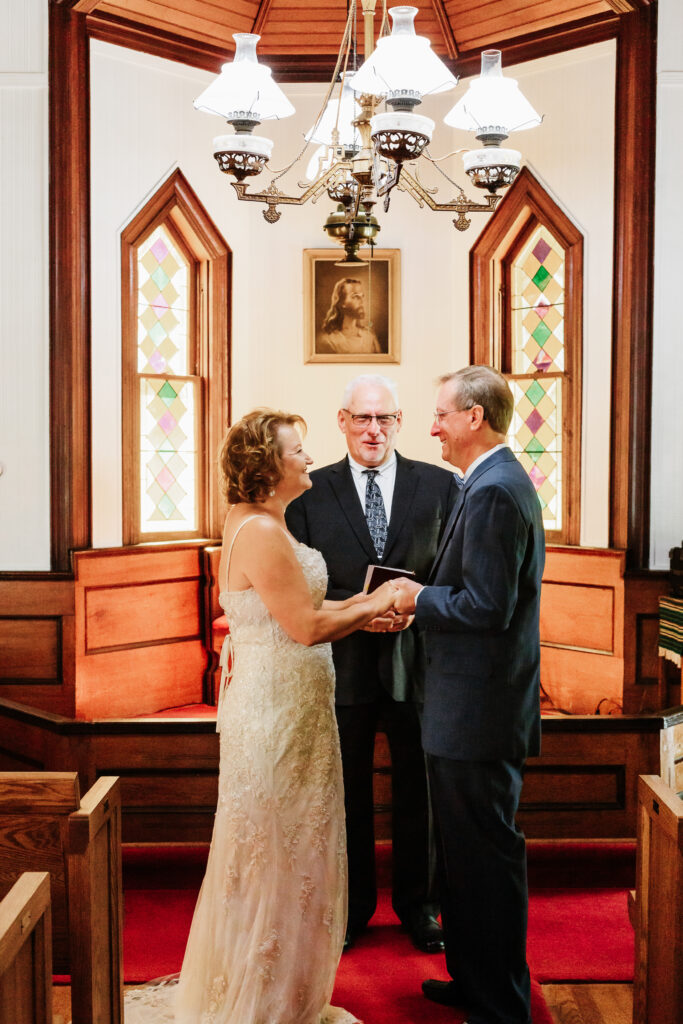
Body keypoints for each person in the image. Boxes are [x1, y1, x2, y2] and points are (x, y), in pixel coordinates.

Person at [125, 408, 397, 1024]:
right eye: (297, 450)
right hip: (279, 714)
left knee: (290, 848)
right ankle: (265, 1003)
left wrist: (356, 607)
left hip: (291, 705)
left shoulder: (260, 522)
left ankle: (287, 990)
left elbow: (294, 607)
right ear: (269, 467)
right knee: (279, 851)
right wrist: (379, 600)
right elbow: (303, 628)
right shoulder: (263, 533)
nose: (308, 457)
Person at [392, 366, 546, 1024]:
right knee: (465, 857)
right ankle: (474, 977)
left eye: (441, 415)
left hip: (477, 713)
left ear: (474, 418)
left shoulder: (494, 491)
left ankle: (498, 1002)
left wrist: (416, 598)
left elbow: (486, 605)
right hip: (467, 707)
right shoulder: (486, 482)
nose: (433, 428)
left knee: (484, 861)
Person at [286, 375, 456, 953]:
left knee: (421, 794)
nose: (373, 430)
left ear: (400, 423)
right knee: (345, 792)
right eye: (362, 419)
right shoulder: (309, 492)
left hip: (419, 662)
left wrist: (415, 607)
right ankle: (351, 909)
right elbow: (300, 580)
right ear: (341, 421)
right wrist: (360, 610)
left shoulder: (441, 486)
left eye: (384, 420)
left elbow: (453, 572)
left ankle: (420, 907)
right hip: (342, 664)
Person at [316, 278, 382, 355]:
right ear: (342, 302)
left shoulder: (369, 336)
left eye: (362, 297)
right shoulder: (328, 341)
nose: (362, 302)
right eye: (355, 297)